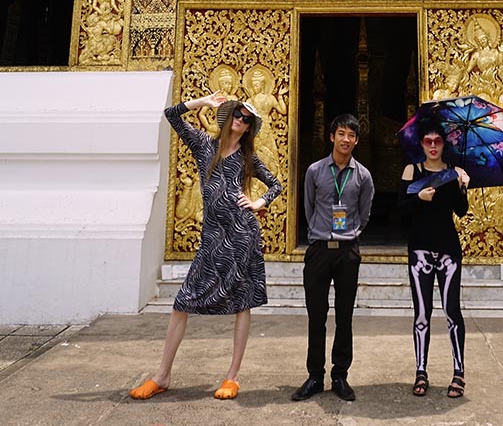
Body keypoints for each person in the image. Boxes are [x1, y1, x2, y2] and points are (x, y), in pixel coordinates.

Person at [129, 91, 281, 401]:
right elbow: (172, 115)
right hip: (212, 238)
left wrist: (257, 202)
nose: (241, 121)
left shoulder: (247, 158)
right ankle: (163, 374)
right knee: (182, 302)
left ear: (250, 127)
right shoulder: (205, 146)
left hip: (242, 235)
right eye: (238, 115)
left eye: (247, 119)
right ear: (229, 118)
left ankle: (232, 376)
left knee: (242, 304)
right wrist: (202, 103)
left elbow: (275, 184)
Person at [292, 114, 374, 403]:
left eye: (351, 135)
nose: (346, 139)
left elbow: (364, 214)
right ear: (331, 136)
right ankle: (315, 375)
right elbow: (309, 207)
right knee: (317, 315)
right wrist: (322, 232)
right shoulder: (315, 171)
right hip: (318, 250)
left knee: (344, 315)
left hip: (348, 252)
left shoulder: (363, 175)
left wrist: (349, 234)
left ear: (356, 141)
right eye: (341, 133)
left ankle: (340, 375)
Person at [398, 121, 470, 399]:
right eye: (427, 141)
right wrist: (420, 198)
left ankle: (459, 372)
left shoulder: (453, 174)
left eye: (437, 141)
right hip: (420, 250)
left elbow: (461, 211)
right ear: (421, 144)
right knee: (422, 314)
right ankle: (421, 370)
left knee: (452, 311)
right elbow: (402, 209)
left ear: (443, 144)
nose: (432, 145)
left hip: (448, 250)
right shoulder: (412, 171)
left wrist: (463, 186)